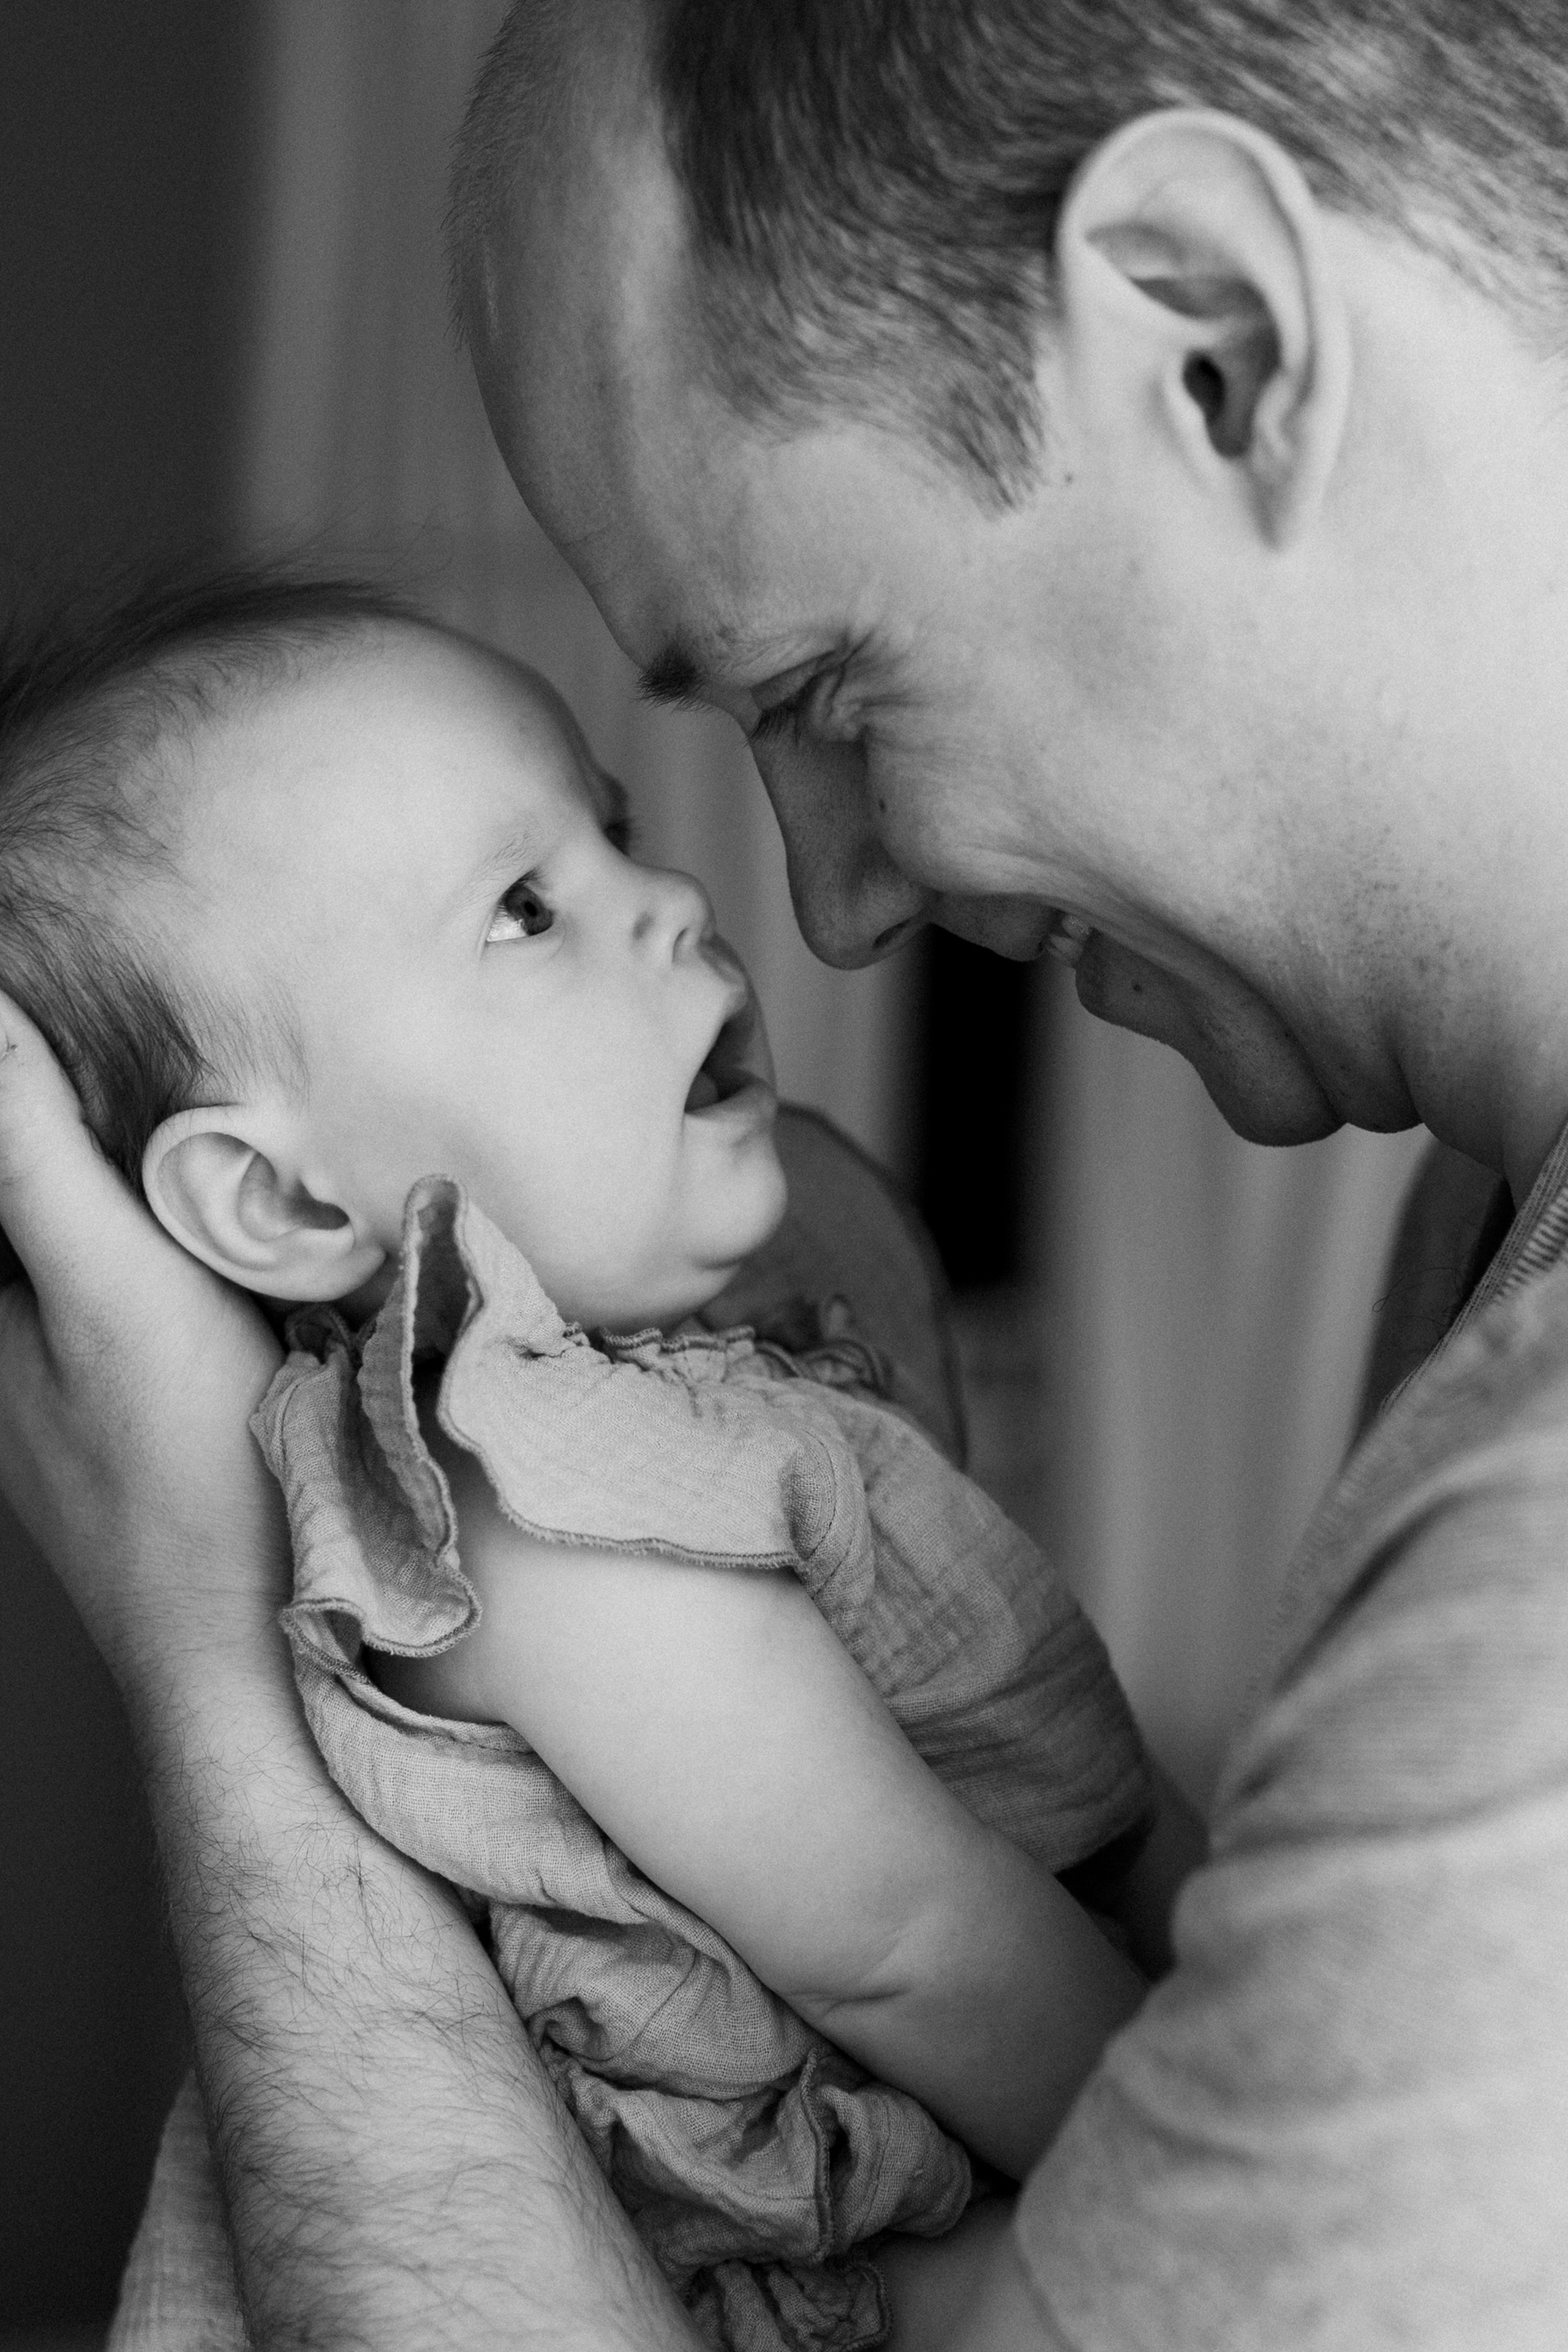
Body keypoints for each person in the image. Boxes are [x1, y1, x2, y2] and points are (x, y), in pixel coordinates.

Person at [4, 0, 1568, 2343]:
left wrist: (203, 1638)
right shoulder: (1479, 1245)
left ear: (1218, 345)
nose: (817, 910)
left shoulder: (1526, 1565)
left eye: (826, 689)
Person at [0, 569, 1165, 2348]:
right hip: (808, 2271)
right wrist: (1233, 2155)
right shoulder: (531, 1512)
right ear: (292, 1201)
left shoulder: (681, 1390)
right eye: (527, 911)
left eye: (614, 839)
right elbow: (903, 1938)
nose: (677, 904)